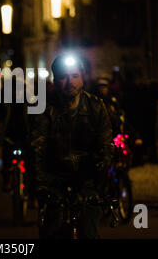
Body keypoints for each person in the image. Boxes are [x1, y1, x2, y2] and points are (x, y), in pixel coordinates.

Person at [31, 54, 114, 239]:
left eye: (75, 76)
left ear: (82, 78)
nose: (70, 81)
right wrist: (41, 186)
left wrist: (97, 184)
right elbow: (37, 148)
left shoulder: (96, 107)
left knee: (89, 231)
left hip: (87, 181)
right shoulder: (44, 108)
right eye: (63, 77)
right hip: (54, 182)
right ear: (54, 80)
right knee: (50, 230)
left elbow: (106, 146)